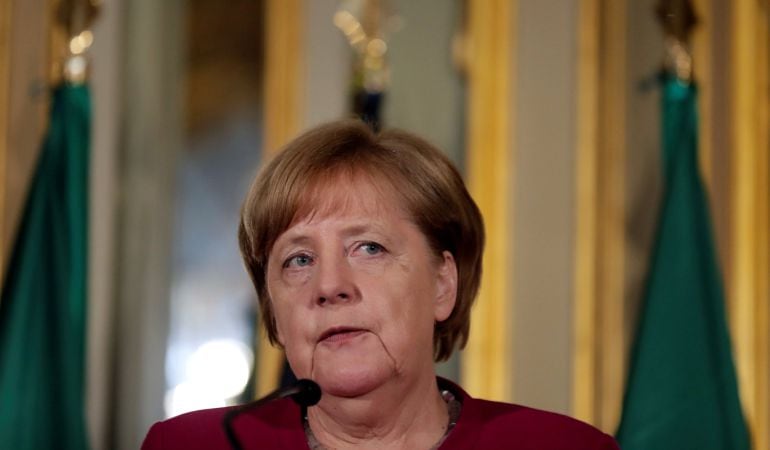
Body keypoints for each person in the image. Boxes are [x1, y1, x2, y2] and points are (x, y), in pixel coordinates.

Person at [142, 120, 619, 449]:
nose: (329, 285)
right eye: (299, 259)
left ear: (442, 284)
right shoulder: (195, 449)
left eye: (368, 248)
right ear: (274, 313)